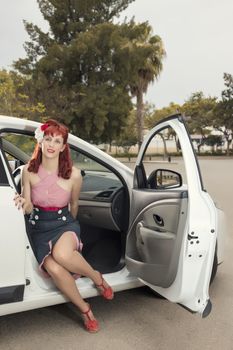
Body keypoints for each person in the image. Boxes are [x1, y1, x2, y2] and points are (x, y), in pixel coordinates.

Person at [14, 119, 113, 333]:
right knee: (54, 267)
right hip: (39, 227)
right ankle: (86, 309)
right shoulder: (28, 172)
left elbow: (74, 205)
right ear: (40, 142)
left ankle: (97, 277)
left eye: (57, 141)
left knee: (63, 254)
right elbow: (29, 207)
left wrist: (71, 229)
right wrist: (23, 202)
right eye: (48, 139)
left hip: (64, 224)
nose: (51, 144)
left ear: (63, 146)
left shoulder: (74, 175)